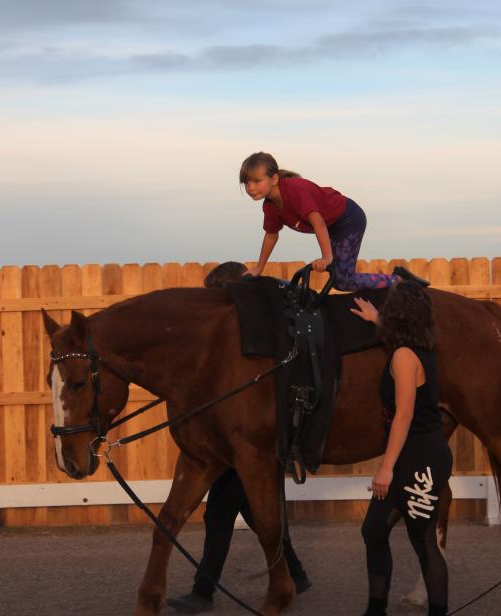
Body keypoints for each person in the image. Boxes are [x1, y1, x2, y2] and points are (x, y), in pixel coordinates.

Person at [166, 262, 311, 614]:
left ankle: (203, 591)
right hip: (241, 443)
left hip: (249, 443)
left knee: (220, 515)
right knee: (255, 511)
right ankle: (295, 573)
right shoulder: (256, 331)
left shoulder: (252, 334)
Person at [350, 281, 452, 616]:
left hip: (420, 459)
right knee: (373, 532)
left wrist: (386, 466)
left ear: (399, 315)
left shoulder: (404, 357)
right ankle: (375, 609)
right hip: (413, 455)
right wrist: (376, 318)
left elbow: (404, 415)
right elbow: (399, 342)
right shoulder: (416, 348)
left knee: (423, 542)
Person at [239, 152, 428, 290]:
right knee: (337, 278)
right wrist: (258, 268)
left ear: (274, 179)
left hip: (348, 220)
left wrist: (327, 257)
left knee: (343, 280)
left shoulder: (295, 190)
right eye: (246, 182)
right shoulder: (270, 206)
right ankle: (396, 280)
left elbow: (318, 223)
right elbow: (271, 235)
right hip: (332, 228)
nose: (250, 187)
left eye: (256, 181)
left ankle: (399, 281)